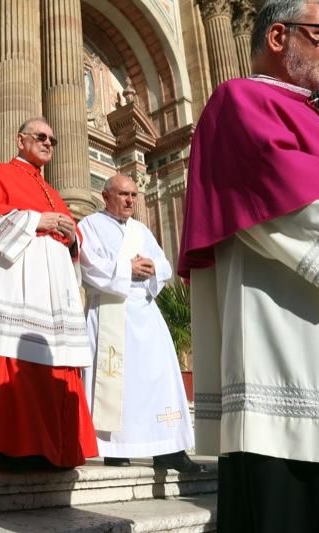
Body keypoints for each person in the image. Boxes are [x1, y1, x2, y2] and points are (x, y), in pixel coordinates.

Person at [178, 1, 319, 531]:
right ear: (277, 36)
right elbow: (288, 192)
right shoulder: (240, 100)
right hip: (295, 347)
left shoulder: (315, 120)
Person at [0, 117, 98, 470]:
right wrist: (36, 221)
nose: (48, 143)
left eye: (52, 139)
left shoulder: (54, 192)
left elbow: (75, 243)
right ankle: (12, 448)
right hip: (12, 284)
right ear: (20, 140)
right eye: (41, 136)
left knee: (51, 365)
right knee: (11, 360)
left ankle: (52, 448)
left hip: (49, 294)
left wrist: (72, 236)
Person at [79, 175, 204, 473]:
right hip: (111, 311)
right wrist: (127, 268)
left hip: (145, 314)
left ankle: (169, 448)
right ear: (105, 195)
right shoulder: (89, 226)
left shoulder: (141, 230)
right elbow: (88, 265)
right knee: (117, 386)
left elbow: (162, 264)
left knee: (159, 380)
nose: (130, 201)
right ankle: (116, 448)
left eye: (134, 195)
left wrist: (151, 269)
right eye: (123, 194)